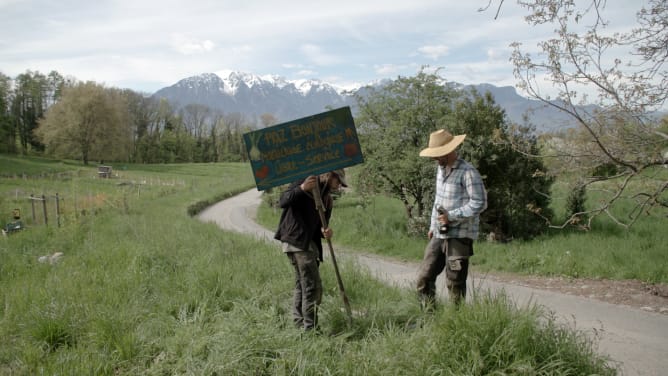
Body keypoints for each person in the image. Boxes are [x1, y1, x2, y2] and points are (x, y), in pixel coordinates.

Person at [416, 129, 487, 309]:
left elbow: (480, 203)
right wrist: (433, 224)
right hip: (440, 233)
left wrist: (452, 216)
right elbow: (438, 201)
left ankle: (454, 323)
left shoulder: (468, 172)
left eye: (437, 154)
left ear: (449, 151)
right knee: (424, 277)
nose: (434, 159)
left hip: (460, 235)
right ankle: (428, 316)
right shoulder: (440, 171)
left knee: (454, 283)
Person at [274, 169, 348, 331]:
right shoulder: (305, 180)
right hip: (296, 239)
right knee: (312, 287)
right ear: (330, 175)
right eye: (338, 182)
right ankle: (310, 329)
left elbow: (322, 226)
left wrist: (325, 231)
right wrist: (302, 188)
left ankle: (299, 324)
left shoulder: (327, 199)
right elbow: (283, 201)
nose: (339, 186)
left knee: (302, 285)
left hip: (309, 244)